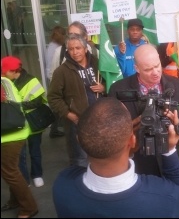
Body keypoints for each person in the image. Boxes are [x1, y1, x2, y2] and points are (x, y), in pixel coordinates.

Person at [52, 97, 179, 217]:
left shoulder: (62, 185)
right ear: (132, 141)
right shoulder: (164, 198)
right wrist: (168, 150)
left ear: (79, 140)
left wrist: (123, 142)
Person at [108, 44, 179, 176]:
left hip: (170, 154)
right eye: (148, 69)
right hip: (137, 159)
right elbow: (112, 128)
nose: (155, 72)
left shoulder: (177, 84)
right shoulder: (118, 89)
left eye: (157, 66)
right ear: (137, 68)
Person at [48, 33, 105, 168]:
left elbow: (112, 82)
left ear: (85, 49)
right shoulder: (61, 71)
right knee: (80, 160)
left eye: (78, 48)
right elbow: (53, 97)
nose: (75, 52)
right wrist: (69, 114)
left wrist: (104, 87)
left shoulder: (99, 63)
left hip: (100, 119)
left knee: (101, 154)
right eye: (71, 49)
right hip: (77, 121)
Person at [1, 56, 47, 188]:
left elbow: (38, 101)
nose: (3, 74)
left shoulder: (31, 80)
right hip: (16, 125)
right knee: (20, 155)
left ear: (14, 70)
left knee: (35, 150)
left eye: (5, 72)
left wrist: (18, 107)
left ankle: (37, 174)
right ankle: (24, 180)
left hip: (32, 121)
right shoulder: (5, 82)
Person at [1, 76, 38, 218]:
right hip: (14, 131)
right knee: (9, 170)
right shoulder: (4, 80)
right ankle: (15, 200)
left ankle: (29, 208)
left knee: (10, 171)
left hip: (9, 135)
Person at [45, 25, 66, 138]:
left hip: (53, 77)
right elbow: (53, 66)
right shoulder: (56, 48)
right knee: (57, 106)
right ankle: (54, 128)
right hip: (55, 78)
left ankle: (55, 127)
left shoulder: (52, 46)